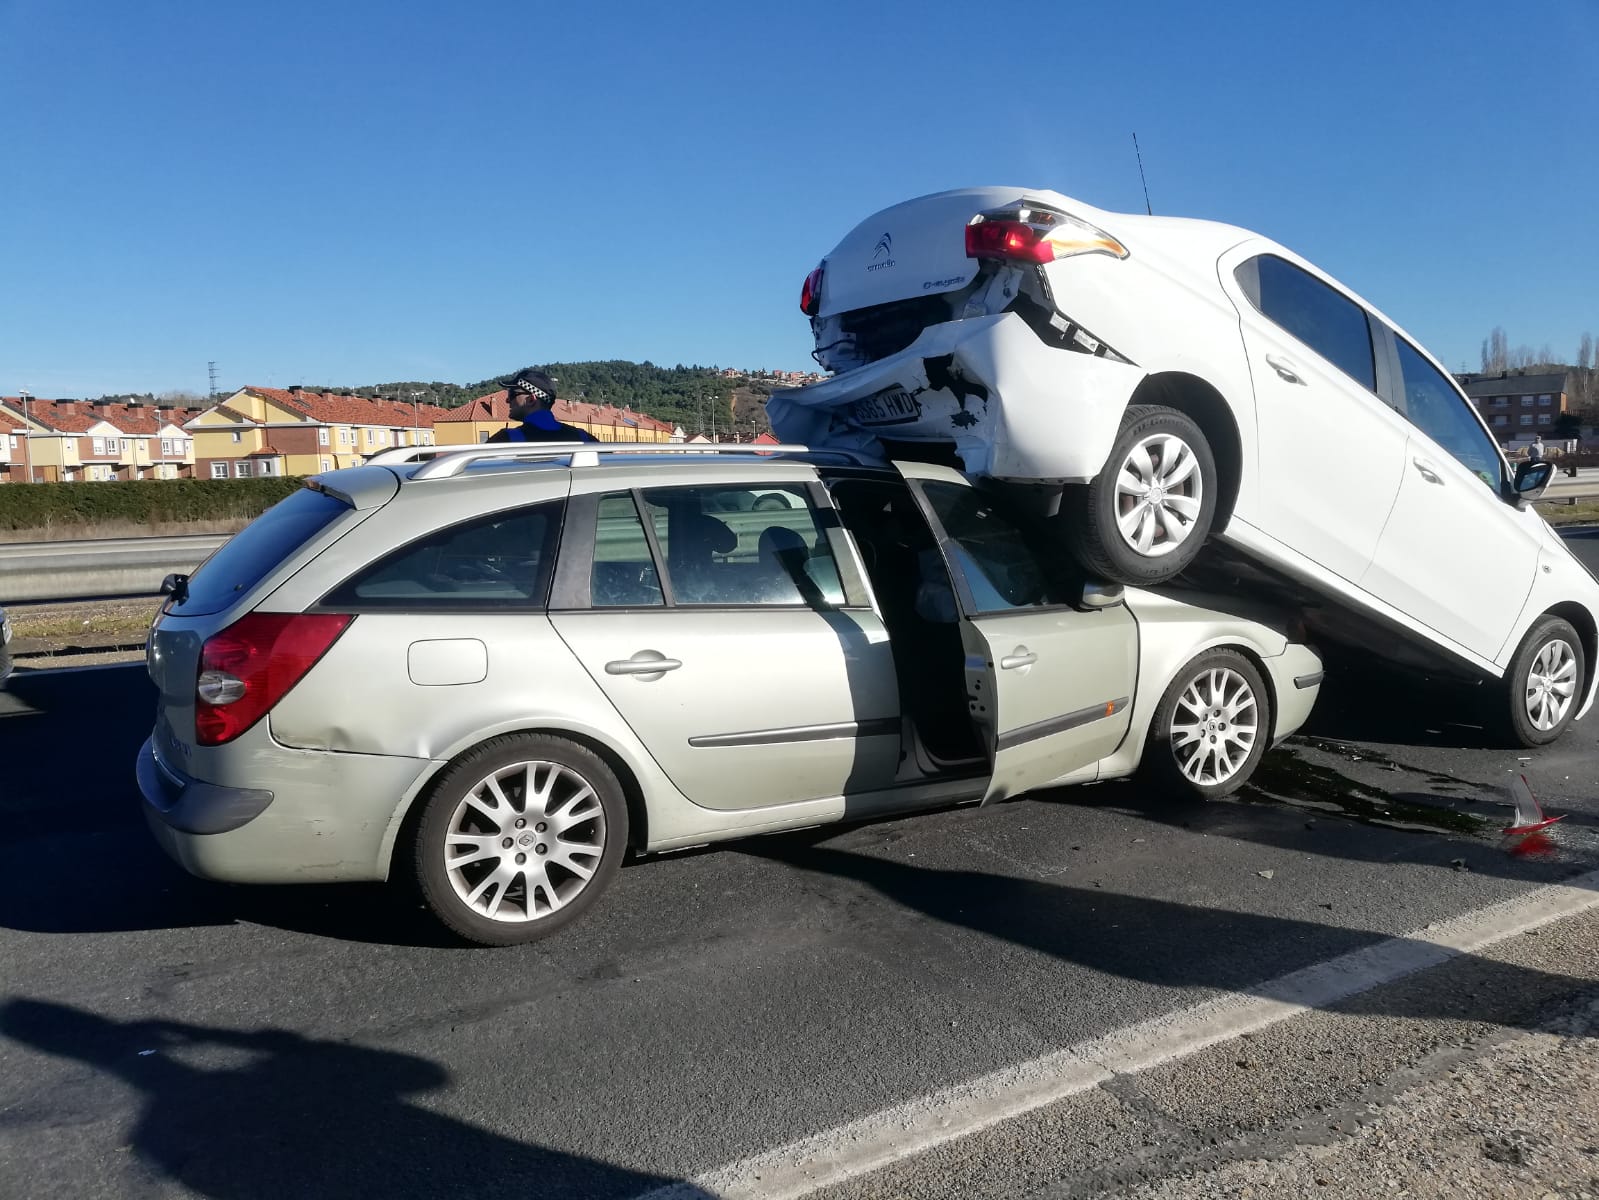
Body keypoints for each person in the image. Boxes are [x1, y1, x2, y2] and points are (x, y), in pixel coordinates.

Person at [487, 368, 597, 444]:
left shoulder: (506, 440)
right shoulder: (583, 438)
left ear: (531, 400)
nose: (507, 400)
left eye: (512, 394)